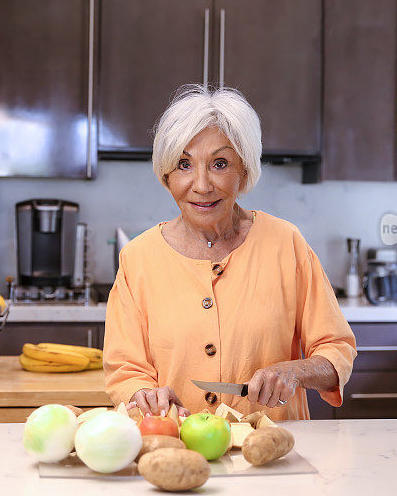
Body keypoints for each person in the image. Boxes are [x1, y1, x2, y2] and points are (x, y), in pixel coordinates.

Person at [103, 85, 356, 420]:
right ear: (166, 174)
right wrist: (145, 395)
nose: (202, 185)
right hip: (177, 451)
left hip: (274, 451)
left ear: (245, 170)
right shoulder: (138, 258)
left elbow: (336, 349)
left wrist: (294, 372)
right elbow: (124, 369)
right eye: (184, 164)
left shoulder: (286, 243)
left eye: (220, 163)